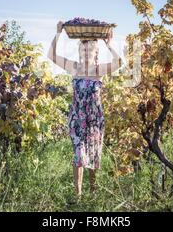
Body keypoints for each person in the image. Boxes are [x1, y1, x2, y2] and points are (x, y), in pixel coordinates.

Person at [47, 21, 122, 201]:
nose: (86, 53)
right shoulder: (74, 67)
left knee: (94, 154)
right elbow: (51, 55)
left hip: (95, 119)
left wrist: (109, 44)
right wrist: (58, 33)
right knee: (79, 154)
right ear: (79, 52)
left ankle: (93, 192)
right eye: (83, 50)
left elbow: (119, 62)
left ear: (96, 53)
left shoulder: (99, 70)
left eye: (90, 50)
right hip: (77, 119)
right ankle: (78, 195)